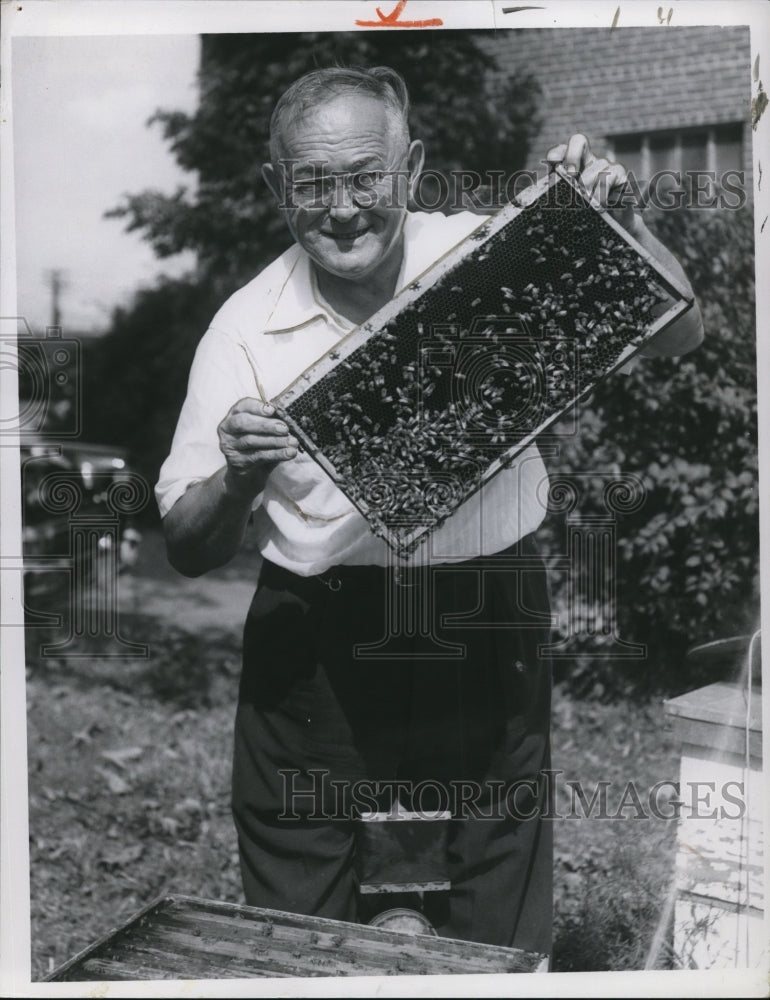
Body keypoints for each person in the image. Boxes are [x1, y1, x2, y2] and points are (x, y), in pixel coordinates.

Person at [155, 66, 703, 956]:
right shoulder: (244, 327)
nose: (343, 209)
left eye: (366, 176)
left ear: (410, 169)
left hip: (490, 609)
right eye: (313, 183)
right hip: (318, 633)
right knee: (301, 899)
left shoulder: (486, 251)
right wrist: (238, 475)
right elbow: (185, 543)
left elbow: (680, 330)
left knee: (499, 851)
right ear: (275, 188)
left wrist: (622, 223)